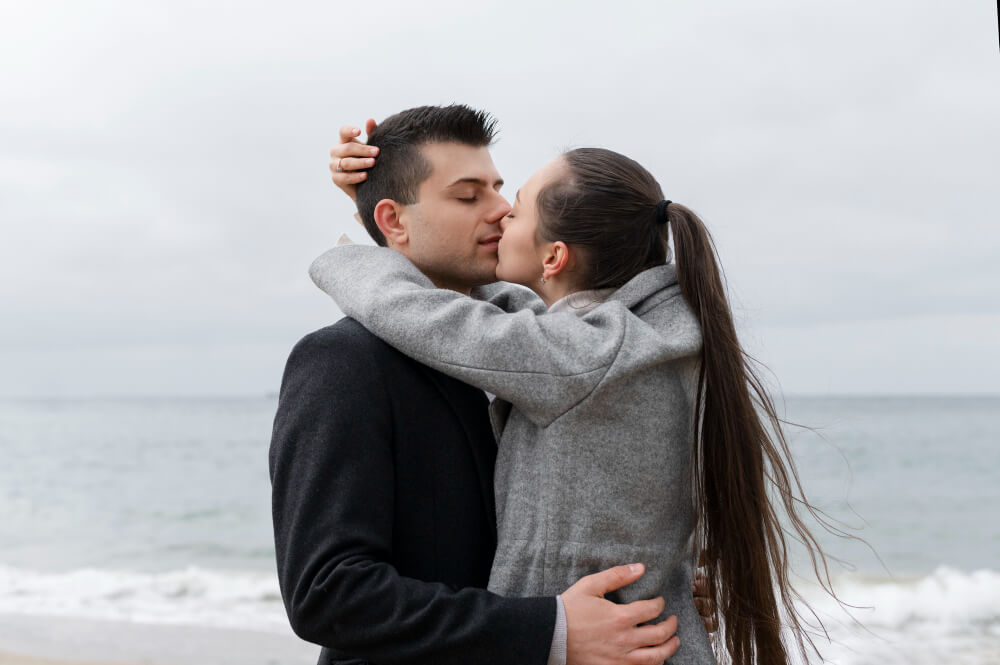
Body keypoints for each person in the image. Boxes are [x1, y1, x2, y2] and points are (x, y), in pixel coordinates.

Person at [316, 124, 836, 664]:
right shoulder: (636, 340)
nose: (499, 212)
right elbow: (500, 316)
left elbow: (428, 315)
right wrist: (381, 202)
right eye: (470, 196)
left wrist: (360, 245)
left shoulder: (580, 359)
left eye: (514, 206)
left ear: (555, 258)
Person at [270, 105, 710, 665]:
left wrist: (660, 582)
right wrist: (550, 630)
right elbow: (327, 593)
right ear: (393, 221)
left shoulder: (542, 348)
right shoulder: (342, 362)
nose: (501, 209)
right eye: (467, 196)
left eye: (500, 190)